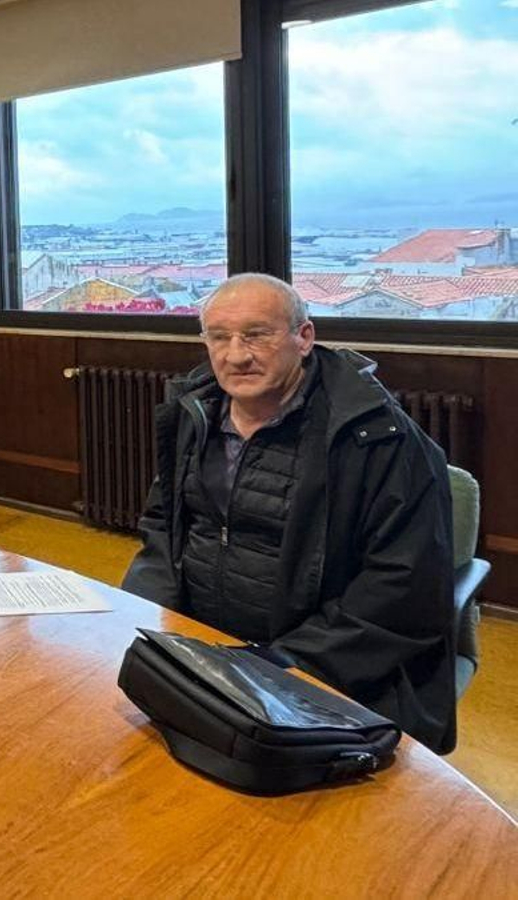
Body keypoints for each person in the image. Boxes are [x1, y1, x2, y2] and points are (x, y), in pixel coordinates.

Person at [121, 273, 457, 753]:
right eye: (220, 337)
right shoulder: (194, 414)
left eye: (257, 335)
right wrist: (145, 620)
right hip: (201, 655)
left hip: (321, 674)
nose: (236, 355)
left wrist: (276, 666)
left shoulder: (377, 438)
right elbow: (163, 527)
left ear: (304, 337)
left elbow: (403, 588)